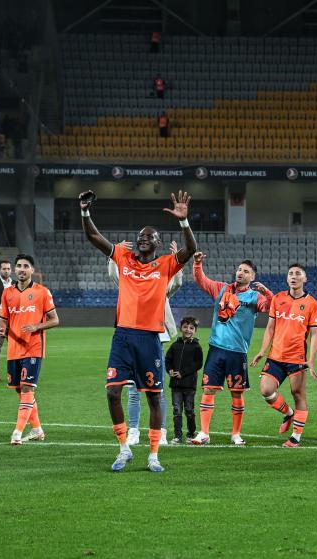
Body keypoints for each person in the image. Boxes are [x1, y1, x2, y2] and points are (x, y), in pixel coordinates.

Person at [81, 189, 197, 473]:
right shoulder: (123, 257)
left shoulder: (166, 264)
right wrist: (85, 211)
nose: (143, 239)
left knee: (154, 397)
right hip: (122, 336)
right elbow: (95, 238)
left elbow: (190, 250)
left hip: (149, 338)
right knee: (112, 393)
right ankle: (124, 449)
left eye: (149, 236)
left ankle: (154, 454)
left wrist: (184, 222)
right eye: (140, 236)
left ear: (158, 243)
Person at [191, 252, 272, 446]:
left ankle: (236, 434)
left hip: (237, 351)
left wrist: (268, 293)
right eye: (239, 269)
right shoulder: (222, 288)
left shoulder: (254, 296)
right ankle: (204, 433)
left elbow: (272, 307)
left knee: (237, 392)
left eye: (246, 271)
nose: (240, 273)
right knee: (208, 389)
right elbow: (202, 280)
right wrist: (197, 263)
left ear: (252, 277)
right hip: (216, 348)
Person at [107, 240, 181, 446]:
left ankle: (161, 430)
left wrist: (177, 264)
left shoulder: (162, 280)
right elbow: (115, 275)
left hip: (155, 333)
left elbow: (176, 283)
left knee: (155, 389)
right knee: (132, 388)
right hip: (129, 332)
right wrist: (114, 255)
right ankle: (133, 430)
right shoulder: (129, 278)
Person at [251, 264, 317, 448]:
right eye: (291, 273)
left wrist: (311, 360)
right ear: (287, 278)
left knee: (298, 394)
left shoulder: (312, 303)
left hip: (297, 358)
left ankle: (295, 437)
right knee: (266, 390)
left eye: (298, 274)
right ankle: (288, 413)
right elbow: (270, 328)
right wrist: (261, 351)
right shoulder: (278, 298)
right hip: (275, 356)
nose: (294, 276)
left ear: (304, 279)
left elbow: (314, 334)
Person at [0, 254, 59, 444]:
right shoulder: (8, 293)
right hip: (14, 348)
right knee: (20, 390)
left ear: (32, 270)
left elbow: (55, 319)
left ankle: (17, 432)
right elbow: (2, 318)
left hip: (33, 347)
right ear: (15, 270)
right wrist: (1, 327)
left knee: (26, 387)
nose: (21, 269)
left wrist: (36, 327)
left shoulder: (42, 292)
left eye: (26, 266)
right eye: (19, 266)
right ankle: (37, 429)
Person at [165, 317, 203, 444]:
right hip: (175, 385)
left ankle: (191, 434)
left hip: (189, 385)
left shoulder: (196, 347)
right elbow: (167, 360)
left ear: (195, 330)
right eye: (185, 327)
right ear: (181, 328)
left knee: (189, 410)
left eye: (191, 328)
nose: (188, 330)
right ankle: (177, 435)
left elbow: (198, 364)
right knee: (177, 411)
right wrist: (169, 370)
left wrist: (183, 373)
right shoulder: (175, 345)